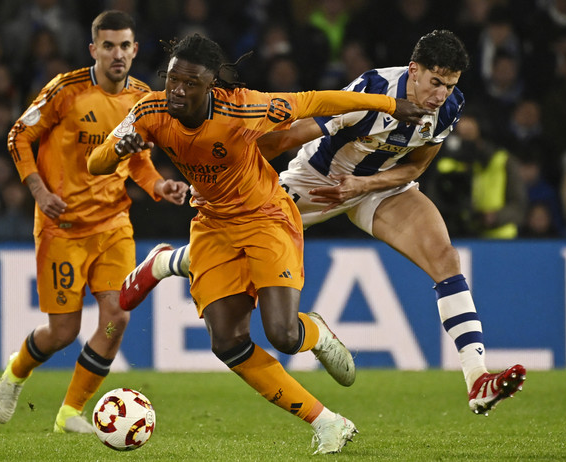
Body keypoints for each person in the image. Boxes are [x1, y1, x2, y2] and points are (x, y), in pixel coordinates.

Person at [118, 30, 527, 418]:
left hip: (375, 186)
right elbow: (285, 139)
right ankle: (166, 262)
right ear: (413, 69)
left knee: (445, 257)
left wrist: (365, 184)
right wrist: (222, 178)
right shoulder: (371, 91)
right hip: (315, 181)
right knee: (235, 246)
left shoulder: (450, 107)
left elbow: (416, 165)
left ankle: (477, 378)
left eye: (450, 85)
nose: (441, 95)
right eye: (435, 82)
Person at [88, 33, 429, 454]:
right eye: (172, 79)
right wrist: (118, 148)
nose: (177, 90)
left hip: (266, 217)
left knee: (284, 335)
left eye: (189, 83)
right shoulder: (147, 110)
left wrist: (392, 105)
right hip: (213, 225)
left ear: (210, 84)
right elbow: (96, 162)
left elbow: (319, 100)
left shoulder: (245, 106)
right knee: (227, 342)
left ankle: (314, 331)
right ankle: (328, 422)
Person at [0, 10, 189, 434]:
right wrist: (40, 192)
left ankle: (70, 412)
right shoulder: (65, 90)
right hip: (61, 226)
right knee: (63, 331)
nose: (117, 54)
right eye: (108, 45)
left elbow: (140, 163)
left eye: (124, 46)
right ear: (93, 49)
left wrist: (160, 188)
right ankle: (17, 370)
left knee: (118, 313)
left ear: (135, 50)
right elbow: (17, 136)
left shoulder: (142, 98)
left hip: (113, 223)